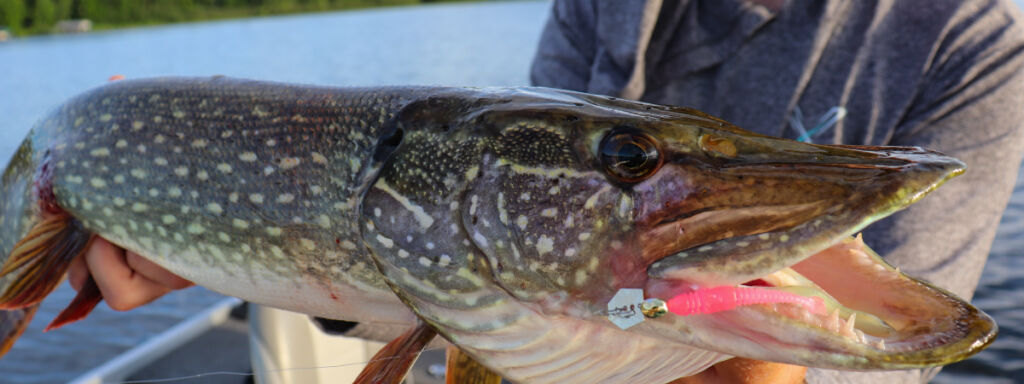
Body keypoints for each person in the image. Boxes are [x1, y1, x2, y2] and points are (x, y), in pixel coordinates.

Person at [70, 0, 1024, 383]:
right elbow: (465, 231)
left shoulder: (970, 41)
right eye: (631, 160)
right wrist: (201, 235)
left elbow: (898, 363)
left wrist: (744, 333)